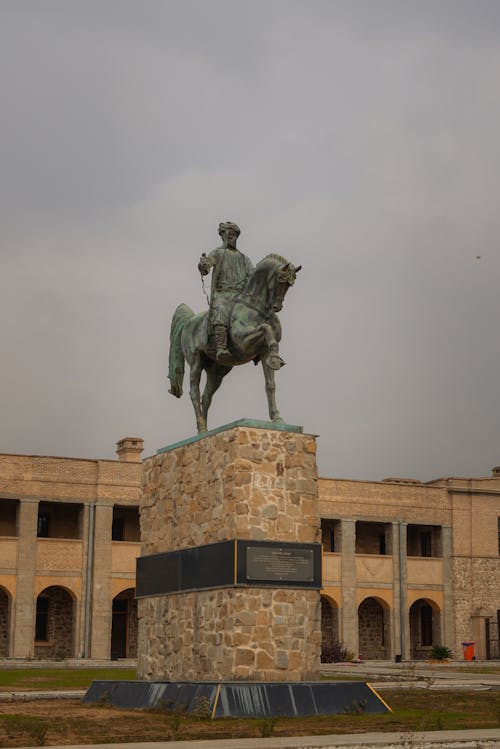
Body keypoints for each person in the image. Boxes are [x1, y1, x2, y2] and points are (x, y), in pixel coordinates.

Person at [198, 221, 253, 361]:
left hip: (241, 297)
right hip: (223, 295)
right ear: (223, 236)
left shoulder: (244, 258)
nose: (232, 237)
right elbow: (208, 264)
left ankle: (262, 346)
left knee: (258, 312)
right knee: (221, 309)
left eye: (234, 235)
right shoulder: (218, 252)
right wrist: (203, 265)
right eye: (229, 234)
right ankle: (221, 347)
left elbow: (252, 275)